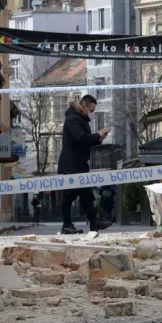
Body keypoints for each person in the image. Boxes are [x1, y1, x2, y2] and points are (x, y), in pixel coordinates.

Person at [57, 94, 110, 234]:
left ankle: (94, 222)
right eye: (91, 110)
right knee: (69, 194)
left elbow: (86, 140)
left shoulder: (80, 119)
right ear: (84, 105)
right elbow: (80, 138)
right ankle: (66, 225)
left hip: (79, 163)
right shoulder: (73, 119)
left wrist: (98, 139)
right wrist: (97, 135)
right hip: (71, 164)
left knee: (86, 194)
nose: (91, 114)